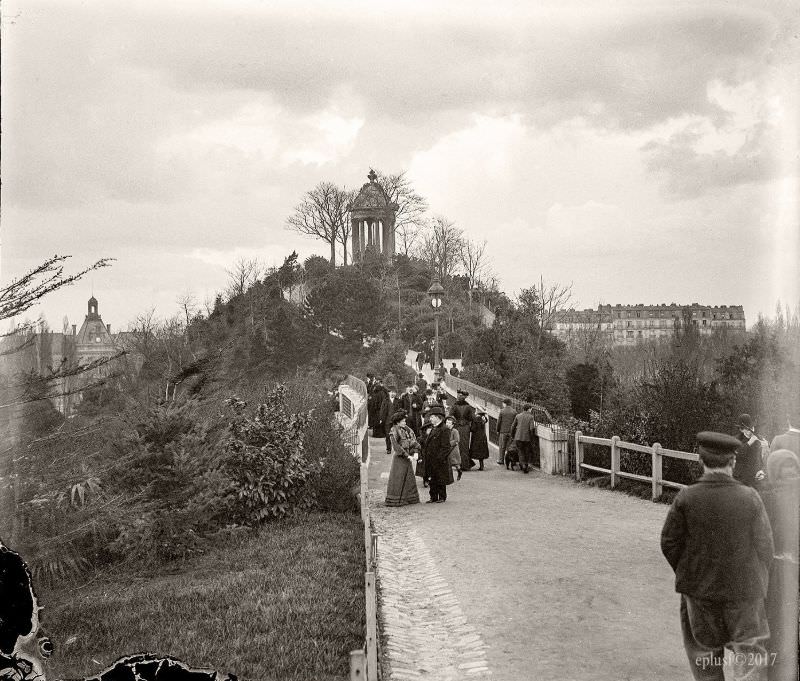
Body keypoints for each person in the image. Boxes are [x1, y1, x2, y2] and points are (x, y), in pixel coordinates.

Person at [660, 431, 774, 681]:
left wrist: (691, 573)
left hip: (700, 595)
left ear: (701, 462)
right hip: (745, 594)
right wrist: (756, 579)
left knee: (705, 661)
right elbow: (766, 547)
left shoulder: (685, 497)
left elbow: (669, 544)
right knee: (750, 660)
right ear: (733, 462)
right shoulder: (751, 498)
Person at [384, 411, 421, 507]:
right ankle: (396, 500)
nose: (405, 423)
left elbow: (413, 442)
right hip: (399, 459)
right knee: (398, 478)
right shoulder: (394, 431)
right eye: (403, 421)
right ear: (397, 422)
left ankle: (408, 498)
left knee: (408, 478)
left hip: (407, 458)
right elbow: (396, 446)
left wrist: (416, 451)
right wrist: (406, 454)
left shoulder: (407, 430)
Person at [423, 406, 454, 503]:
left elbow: (446, 447)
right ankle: (433, 497)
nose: (430, 419)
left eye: (432, 417)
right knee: (432, 478)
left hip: (439, 459)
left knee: (440, 478)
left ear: (438, 417)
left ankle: (442, 497)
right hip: (431, 458)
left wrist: (440, 458)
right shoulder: (434, 427)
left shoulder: (444, 429)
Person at [734, 413, 764, 488]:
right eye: (747, 429)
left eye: (752, 427)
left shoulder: (759, 439)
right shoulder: (736, 440)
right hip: (739, 480)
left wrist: (761, 471)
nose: (751, 431)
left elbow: (762, 458)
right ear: (741, 429)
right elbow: (736, 454)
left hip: (754, 480)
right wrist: (749, 442)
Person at [449, 389, 475, 472]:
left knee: (458, 445)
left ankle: (458, 464)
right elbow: (472, 418)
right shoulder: (468, 407)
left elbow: (450, 416)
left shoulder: (454, 406)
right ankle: (465, 464)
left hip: (457, 427)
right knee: (465, 446)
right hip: (466, 428)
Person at [510, 404, 537, 474]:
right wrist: (532, 438)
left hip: (518, 437)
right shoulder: (531, 417)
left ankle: (523, 465)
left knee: (520, 451)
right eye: (531, 409)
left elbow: (513, 426)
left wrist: (512, 435)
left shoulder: (518, 416)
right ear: (528, 409)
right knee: (526, 452)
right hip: (527, 438)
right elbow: (531, 429)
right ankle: (526, 465)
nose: (531, 410)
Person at [380, 386, 404, 454]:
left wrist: (401, 419)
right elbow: (382, 410)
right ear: (389, 393)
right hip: (387, 421)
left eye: (394, 392)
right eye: (391, 392)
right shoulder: (385, 400)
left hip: (396, 421)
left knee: (397, 435)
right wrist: (381, 419)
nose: (393, 394)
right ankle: (388, 449)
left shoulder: (398, 401)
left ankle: (398, 449)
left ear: (396, 393)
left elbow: (400, 410)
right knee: (388, 435)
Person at [496, 398, 517, 465]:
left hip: (503, 431)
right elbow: (515, 423)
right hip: (511, 432)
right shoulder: (514, 411)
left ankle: (501, 460)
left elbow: (499, 422)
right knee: (510, 447)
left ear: (505, 403)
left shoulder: (502, 411)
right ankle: (512, 460)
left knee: (502, 446)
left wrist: (497, 430)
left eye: (503, 403)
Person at [445, 416, 462, 480]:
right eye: (446, 422)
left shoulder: (455, 431)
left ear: (452, 424)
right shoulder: (445, 430)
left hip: (453, 449)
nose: (447, 424)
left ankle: (459, 471)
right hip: (447, 449)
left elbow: (457, 440)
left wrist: (448, 443)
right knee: (447, 464)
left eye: (449, 423)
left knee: (456, 464)